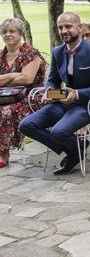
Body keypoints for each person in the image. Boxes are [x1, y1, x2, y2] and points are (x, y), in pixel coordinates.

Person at [19, 13, 90, 175]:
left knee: (58, 132)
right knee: (26, 125)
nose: (64, 30)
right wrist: (49, 91)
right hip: (62, 100)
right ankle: (76, 147)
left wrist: (77, 93)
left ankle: (74, 150)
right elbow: (53, 80)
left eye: (68, 26)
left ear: (80, 27)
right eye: (60, 27)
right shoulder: (57, 52)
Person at [0, 18, 47, 167]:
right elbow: (20, 77)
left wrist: (5, 78)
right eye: (4, 32)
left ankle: (3, 153)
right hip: (5, 95)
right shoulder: (1, 55)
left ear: (20, 33)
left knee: (4, 111)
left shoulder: (30, 53)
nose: (8, 34)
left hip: (30, 95)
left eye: (12, 31)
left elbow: (27, 79)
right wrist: (13, 75)